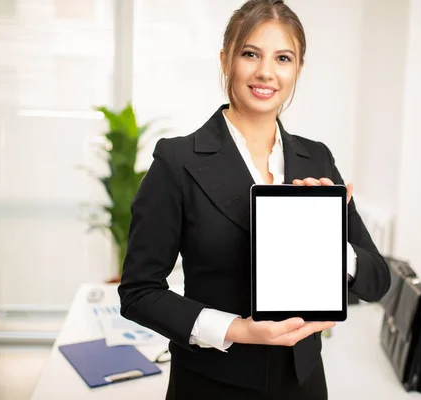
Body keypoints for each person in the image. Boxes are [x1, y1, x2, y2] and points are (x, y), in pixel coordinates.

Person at [118, 0, 391, 398]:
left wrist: (330, 241)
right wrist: (237, 329)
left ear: (298, 68)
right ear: (226, 59)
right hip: (212, 384)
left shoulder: (317, 158)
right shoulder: (177, 161)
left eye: (283, 57)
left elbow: (377, 281)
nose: (266, 72)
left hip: (303, 383)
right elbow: (139, 292)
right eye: (250, 54)